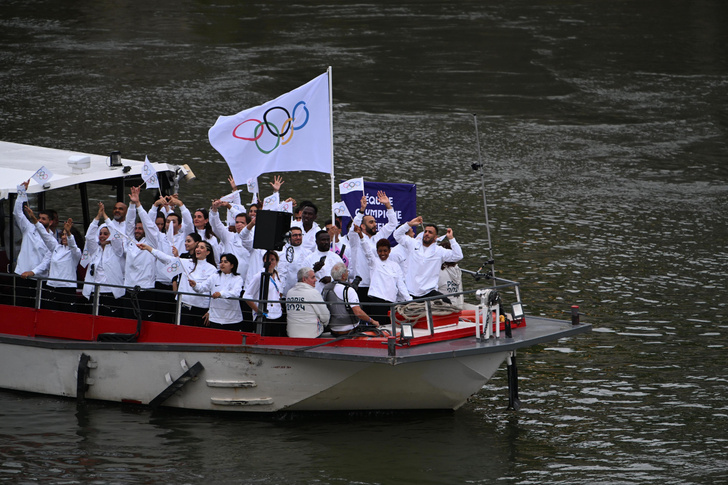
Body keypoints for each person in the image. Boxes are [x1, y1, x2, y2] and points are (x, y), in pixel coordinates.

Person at [349, 191, 399, 315]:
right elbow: (352, 229)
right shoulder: (356, 239)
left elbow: (393, 223)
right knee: (361, 317)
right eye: (371, 222)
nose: (375, 224)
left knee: (376, 317)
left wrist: (388, 205)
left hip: (376, 286)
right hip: (361, 285)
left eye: (375, 222)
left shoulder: (377, 238)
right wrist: (361, 210)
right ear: (363, 226)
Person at [393, 216, 463, 300]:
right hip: (410, 292)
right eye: (425, 231)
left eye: (430, 232)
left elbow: (458, 255)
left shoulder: (439, 251)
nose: (426, 233)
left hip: (429, 292)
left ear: (435, 237)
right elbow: (397, 235)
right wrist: (410, 224)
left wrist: (451, 239)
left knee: (446, 302)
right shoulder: (413, 244)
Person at [351, 227, 411, 323]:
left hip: (392, 303)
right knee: (379, 327)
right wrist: (361, 236)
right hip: (377, 302)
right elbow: (367, 251)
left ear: (389, 251)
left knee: (390, 327)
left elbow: (401, 285)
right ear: (377, 251)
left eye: (385, 251)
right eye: (380, 251)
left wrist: (409, 300)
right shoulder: (374, 262)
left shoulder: (395, 266)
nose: (382, 253)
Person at [28, 211, 82, 311]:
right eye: (63, 234)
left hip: (67, 289)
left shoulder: (75, 253)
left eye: (67, 235)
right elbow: (45, 235)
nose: (64, 237)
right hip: (51, 287)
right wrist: (34, 219)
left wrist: (69, 233)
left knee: (66, 317)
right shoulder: (56, 247)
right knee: (50, 315)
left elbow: (73, 245)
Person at [81, 203, 126, 316]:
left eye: (106, 234)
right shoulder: (95, 249)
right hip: (95, 292)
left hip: (111, 292)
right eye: (100, 234)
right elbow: (89, 236)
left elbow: (116, 234)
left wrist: (105, 217)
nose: (102, 236)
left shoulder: (116, 250)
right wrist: (97, 217)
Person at [12, 180, 52, 307]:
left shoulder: (52, 240)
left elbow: (47, 261)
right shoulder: (28, 228)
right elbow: (17, 213)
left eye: (43, 219)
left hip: (39, 278)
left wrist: (33, 272)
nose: (39, 220)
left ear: (50, 222)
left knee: (38, 309)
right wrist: (22, 192)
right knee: (21, 308)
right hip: (22, 275)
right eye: (39, 217)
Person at [189, 253, 245, 330]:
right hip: (215, 319)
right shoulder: (214, 276)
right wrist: (195, 285)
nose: (222, 264)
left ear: (232, 265)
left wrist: (221, 294)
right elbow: (202, 288)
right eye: (221, 262)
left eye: (225, 262)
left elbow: (236, 293)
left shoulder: (237, 278)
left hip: (233, 320)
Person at [322, 262, 378, 336]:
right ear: (343, 276)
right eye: (347, 271)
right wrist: (372, 321)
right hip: (349, 330)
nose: (348, 273)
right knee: (369, 323)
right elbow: (358, 312)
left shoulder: (326, 288)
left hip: (333, 328)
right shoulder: (348, 290)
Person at [176, 241, 218, 326]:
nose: (198, 249)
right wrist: (150, 249)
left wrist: (211, 311)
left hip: (202, 308)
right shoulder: (186, 262)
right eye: (197, 247)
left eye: (202, 248)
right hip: (184, 306)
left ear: (208, 252)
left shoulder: (212, 269)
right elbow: (166, 259)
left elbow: (214, 291)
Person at [244, 250, 285, 336]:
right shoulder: (259, 276)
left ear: (276, 262)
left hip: (277, 314)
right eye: (267, 259)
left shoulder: (277, 276)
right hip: (265, 315)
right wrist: (258, 310)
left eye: (272, 259)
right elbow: (247, 295)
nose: (270, 262)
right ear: (263, 260)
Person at [286, 267, 330, 338]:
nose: (316, 280)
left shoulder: (289, 293)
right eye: (313, 277)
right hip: (311, 336)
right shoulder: (313, 293)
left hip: (291, 335)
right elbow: (325, 317)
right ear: (304, 279)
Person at [438, 238, 464, 309]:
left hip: (443, 308)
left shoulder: (439, 272)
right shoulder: (457, 270)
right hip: (457, 305)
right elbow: (460, 291)